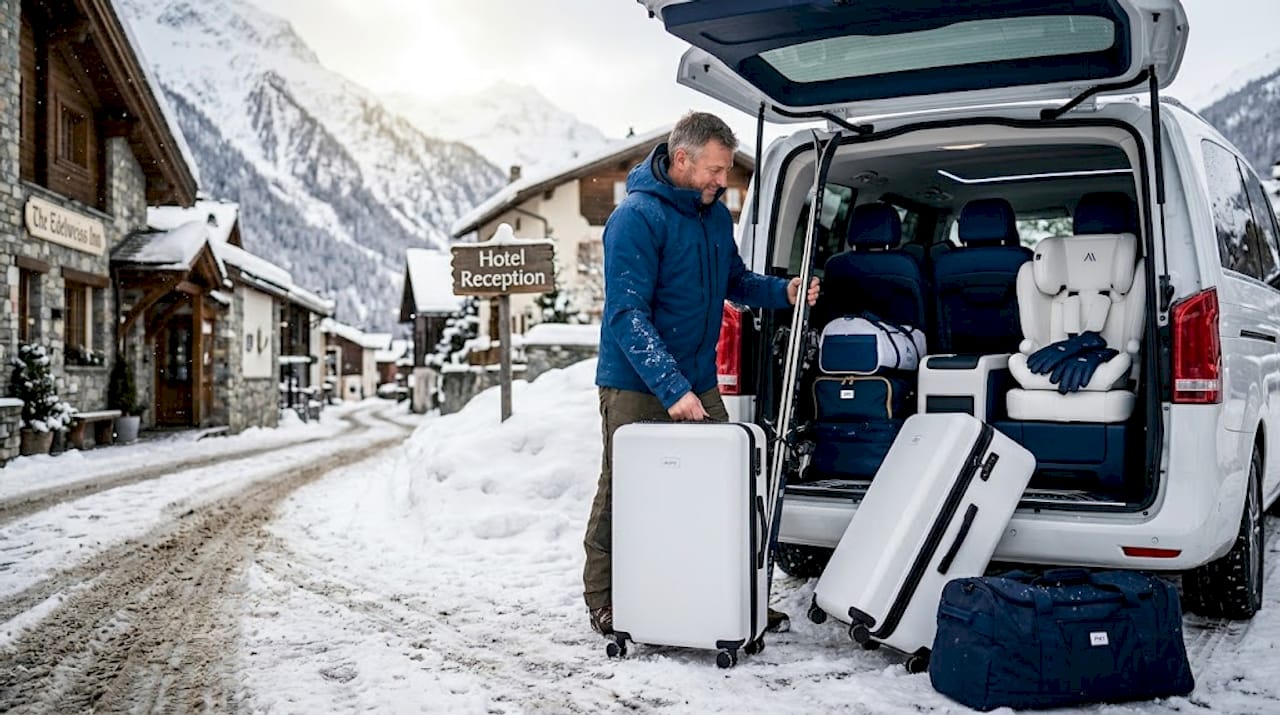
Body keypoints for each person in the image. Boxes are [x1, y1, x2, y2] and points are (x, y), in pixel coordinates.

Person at [584, 111, 820, 636]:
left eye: (726, 169)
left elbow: (733, 280)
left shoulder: (713, 215)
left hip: (697, 378)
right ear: (682, 158)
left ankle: (728, 596)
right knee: (622, 491)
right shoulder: (636, 218)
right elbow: (627, 315)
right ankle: (604, 600)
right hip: (635, 383)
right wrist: (672, 391)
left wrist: (782, 291)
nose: (722, 180)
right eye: (715, 170)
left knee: (725, 487)